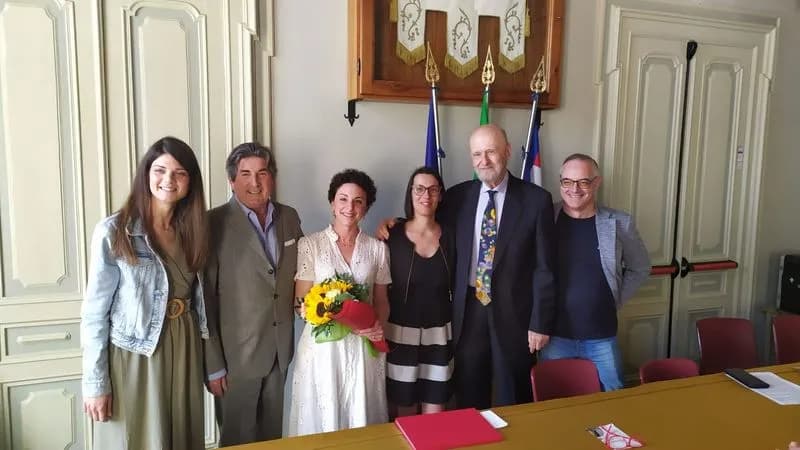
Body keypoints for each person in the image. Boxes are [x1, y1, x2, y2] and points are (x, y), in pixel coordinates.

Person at [381, 124, 557, 408]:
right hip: (467, 310)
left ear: (507, 151)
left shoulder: (536, 200)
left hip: (516, 314)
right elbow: (426, 221)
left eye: (491, 152)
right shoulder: (457, 197)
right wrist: (394, 225)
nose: (483, 161)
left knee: (513, 393)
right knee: (469, 391)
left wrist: (540, 323)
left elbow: (545, 268)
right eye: (477, 154)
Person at [81, 136, 209, 449]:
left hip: (185, 347)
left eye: (180, 173)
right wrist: (96, 383)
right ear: (146, 174)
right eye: (160, 170)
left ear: (190, 181)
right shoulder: (115, 231)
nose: (169, 179)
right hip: (135, 354)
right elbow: (95, 312)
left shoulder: (193, 230)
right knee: (136, 438)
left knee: (180, 436)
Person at [203, 143, 303, 444]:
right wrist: (213, 365)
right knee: (238, 440)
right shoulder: (212, 223)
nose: (255, 182)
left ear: (272, 177)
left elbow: (308, 265)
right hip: (235, 360)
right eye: (245, 174)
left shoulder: (290, 217)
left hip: (279, 351)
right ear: (232, 180)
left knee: (272, 438)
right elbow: (204, 299)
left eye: (262, 173)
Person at [288, 169, 391, 435]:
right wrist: (337, 317)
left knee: (361, 422)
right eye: (343, 199)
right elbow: (301, 304)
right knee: (322, 421)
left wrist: (378, 327)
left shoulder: (378, 249)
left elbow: (381, 300)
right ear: (332, 203)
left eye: (358, 201)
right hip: (322, 351)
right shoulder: (310, 245)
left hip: (363, 350)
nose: (350, 206)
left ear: (366, 207)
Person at [539, 154, 651, 391]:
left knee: (614, 401)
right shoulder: (545, 218)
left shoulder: (619, 223)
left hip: (602, 335)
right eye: (567, 182)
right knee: (554, 401)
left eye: (583, 182)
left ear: (597, 183)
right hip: (555, 335)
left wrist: (614, 298)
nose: (574, 189)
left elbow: (640, 267)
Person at [385, 167, 455, 416]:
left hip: (440, 334)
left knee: (435, 413)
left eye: (433, 189)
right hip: (400, 333)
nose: (426, 195)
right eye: (420, 189)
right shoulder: (391, 235)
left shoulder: (452, 236)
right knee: (404, 412)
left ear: (440, 196)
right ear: (410, 193)